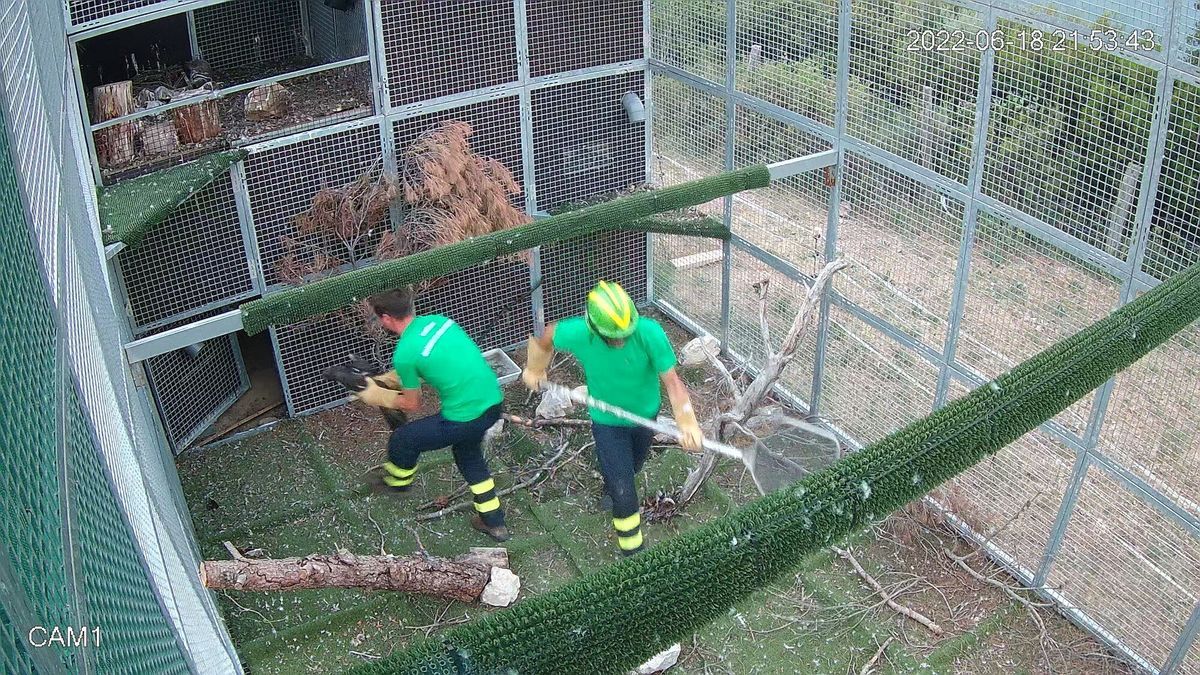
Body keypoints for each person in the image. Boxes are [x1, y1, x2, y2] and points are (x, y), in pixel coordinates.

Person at [521, 280, 703, 556]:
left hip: (645, 417)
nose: (619, 341)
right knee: (623, 486)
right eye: (612, 337)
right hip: (606, 421)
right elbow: (548, 334)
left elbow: (673, 382)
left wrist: (686, 420)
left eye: (624, 334)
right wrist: (535, 367)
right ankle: (633, 551)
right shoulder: (580, 332)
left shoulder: (650, 333)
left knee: (634, 465)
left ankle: (613, 481)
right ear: (593, 328)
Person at [353, 286, 510, 542]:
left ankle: (398, 482)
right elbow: (440, 360)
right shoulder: (440, 321)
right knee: (468, 455)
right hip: (492, 403)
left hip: (463, 417)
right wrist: (394, 378)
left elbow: (412, 404)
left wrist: (377, 395)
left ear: (385, 319)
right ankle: (494, 522)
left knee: (404, 438)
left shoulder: (405, 353)